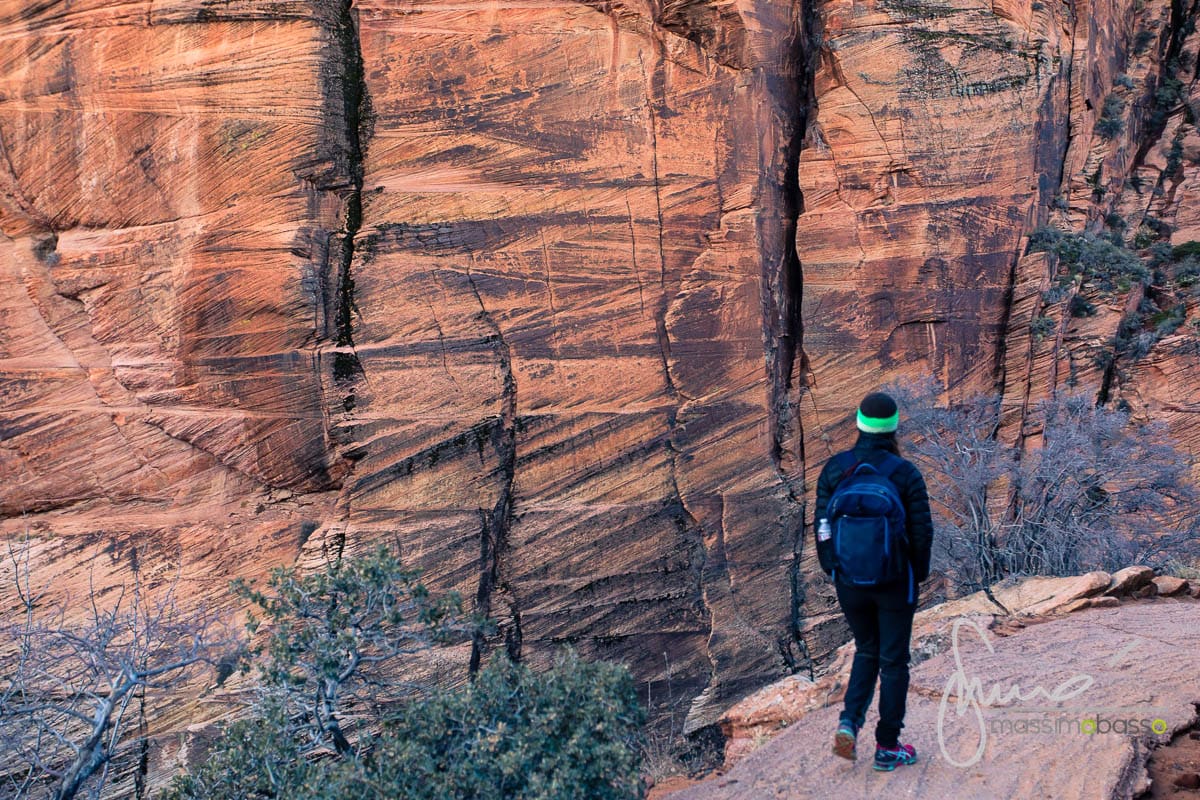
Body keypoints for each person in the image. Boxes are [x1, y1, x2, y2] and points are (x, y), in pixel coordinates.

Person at [814, 391, 933, 771]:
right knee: (894, 661)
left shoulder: (836, 469)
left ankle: (849, 723)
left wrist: (833, 569)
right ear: (894, 427)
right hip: (896, 581)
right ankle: (887, 746)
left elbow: (821, 527)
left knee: (866, 649)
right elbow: (922, 533)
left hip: (850, 581)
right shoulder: (905, 473)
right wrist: (916, 575)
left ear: (859, 424)